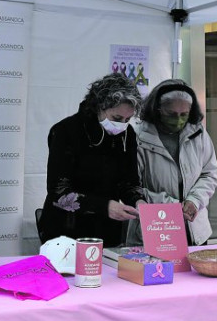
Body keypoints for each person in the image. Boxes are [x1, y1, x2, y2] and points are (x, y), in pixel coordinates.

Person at [39, 73, 144, 247]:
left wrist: (138, 200)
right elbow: (59, 192)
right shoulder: (66, 131)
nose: (122, 125)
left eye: (128, 119)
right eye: (117, 118)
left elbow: (129, 181)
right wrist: (104, 206)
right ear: (99, 107)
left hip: (107, 232)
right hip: (66, 232)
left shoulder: (128, 134)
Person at [126, 79, 217, 246]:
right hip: (154, 229)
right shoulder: (138, 137)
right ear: (157, 110)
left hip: (195, 230)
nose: (178, 120)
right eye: (171, 114)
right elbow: (131, 188)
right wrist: (173, 207)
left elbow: (209, 174)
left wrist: (194, 201)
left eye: (184, 114)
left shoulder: (198, 132)